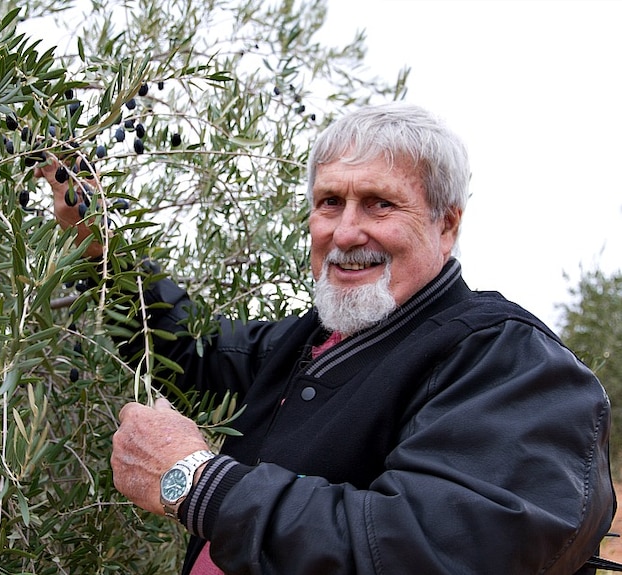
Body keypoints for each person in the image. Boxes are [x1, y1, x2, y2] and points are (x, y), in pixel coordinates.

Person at [38, 102, 617, 574]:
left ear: (447, 224)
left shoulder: (508, 360)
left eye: (380, 204)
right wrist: (101, 249)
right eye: (329, 202)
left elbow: (427, 553)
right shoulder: (311, 342)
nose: (345, 232)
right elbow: (189, 352)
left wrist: (196, 481)